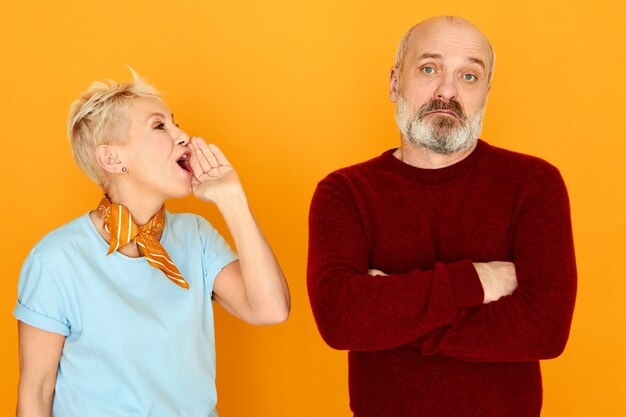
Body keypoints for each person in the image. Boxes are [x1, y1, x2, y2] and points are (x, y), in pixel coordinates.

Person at [307, 16, 576, 417]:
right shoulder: (344, 193)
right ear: (395, 83)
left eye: (469, 76)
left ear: (485, 92)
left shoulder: (534, 184)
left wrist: (394, 314)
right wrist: (479, 280)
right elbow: (341, 320)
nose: (447, 91)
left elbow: (545, 330)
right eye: (429, 68)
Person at [14, 71, 290, 417]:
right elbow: (36, 392)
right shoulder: (55, 260)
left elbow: (271, 310)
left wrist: (232, 198)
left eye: (176, 124)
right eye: (160, 126)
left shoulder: (196, 236)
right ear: (113, 159)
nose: (184, 136)